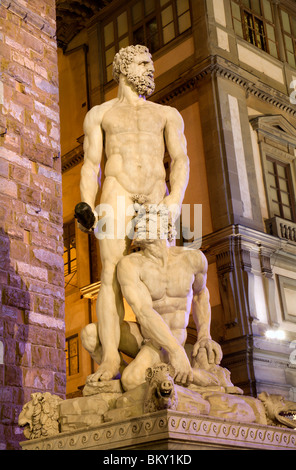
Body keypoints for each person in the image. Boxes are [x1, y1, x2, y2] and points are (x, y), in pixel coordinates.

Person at [77, 45, 190, 381]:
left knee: (156, 273)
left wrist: (175, 200)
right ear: (124, 68)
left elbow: (180, 160)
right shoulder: (101, 113)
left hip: (156, 196)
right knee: (111, 272)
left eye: (151, 63)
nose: (151, 69)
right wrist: (86, 204)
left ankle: (160, 349)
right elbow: (90, 165)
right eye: (144, 63)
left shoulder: (167, 113)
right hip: (117, 193)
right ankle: (111, 358)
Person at [81, 206, 223, 391]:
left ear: (166, 226)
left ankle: (180, 375)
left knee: (132, 380)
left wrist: (204, 334)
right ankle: (121, 378)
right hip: (146, 333)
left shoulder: (193, 259)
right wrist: (176, 351)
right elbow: (144, 312)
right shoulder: (131, 265)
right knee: (90, 334)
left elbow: (201, 294)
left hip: (172, 337)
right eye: (137, 222)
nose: (139, 225)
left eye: (147, 220)